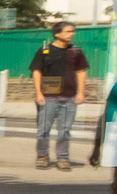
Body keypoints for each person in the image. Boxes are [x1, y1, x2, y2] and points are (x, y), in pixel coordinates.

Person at [31, 20, 90, 171]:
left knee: (65, 130)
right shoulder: (45, 51)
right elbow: (37, 72)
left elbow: (81, 72)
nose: (72, 34)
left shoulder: (76, 52)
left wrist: (81, 92)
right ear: (57, 34)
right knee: (44, 129)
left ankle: (63, 158)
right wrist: (38, 93)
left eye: (73, 31)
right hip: (48, 96)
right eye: (68, 31)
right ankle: (42, 156)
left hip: (69, 97)